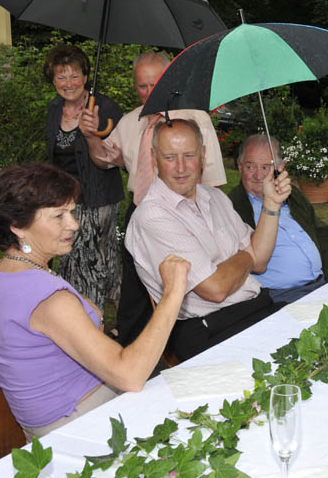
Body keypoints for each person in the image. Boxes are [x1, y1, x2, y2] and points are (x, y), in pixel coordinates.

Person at [0, 162, 190, 441]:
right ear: (18, 226)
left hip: (55, 416)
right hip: (77, 426)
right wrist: (172, 293)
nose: (74, 224)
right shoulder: (51, 300)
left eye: (71, 211)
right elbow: (130, 375)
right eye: (59, 216)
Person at [84, 51, 227, 346]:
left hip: (184, 214)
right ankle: (132, 346)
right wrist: (90, 136)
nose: (150, 92)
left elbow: (212, 183)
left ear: (171, 80)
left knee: (187, 286)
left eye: (156, 83)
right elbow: (103, 159)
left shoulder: (196, 119)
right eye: (142, 86)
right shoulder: (130, 121)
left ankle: (186, 341)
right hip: (140, 214)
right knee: (135, 291)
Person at [125, 118, 291, 361]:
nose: (181, 168)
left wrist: (271, 204)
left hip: (256, 307)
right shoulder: (152, 216)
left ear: (202, 155)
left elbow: (261, 260)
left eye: (189, 155)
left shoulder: (215, 197)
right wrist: (247, 255)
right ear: (153, 158)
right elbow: (215, 289)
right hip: (208, 330)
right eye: (170, 157)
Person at [43, 44, 124, 310]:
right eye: (61, 77)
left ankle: (86, 315)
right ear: (53, 80)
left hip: (97, 198)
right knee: (93, 257)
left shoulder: (105, 108)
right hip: (64, 200)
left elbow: (118, 159)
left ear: (86, 77)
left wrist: (93, 135)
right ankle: (114, 313)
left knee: (84, 260)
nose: (68, 83)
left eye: (74, 75)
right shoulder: (54, 108)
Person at [228, 135, 328, 303]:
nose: (258, 175)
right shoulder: (233, 207)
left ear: (280, 168)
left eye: (265, 167)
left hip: (323, 283)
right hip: (281, 296)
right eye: (250, 166)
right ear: (240, 167)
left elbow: (323, 234)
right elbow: (241, 262)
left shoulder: (292, 195)